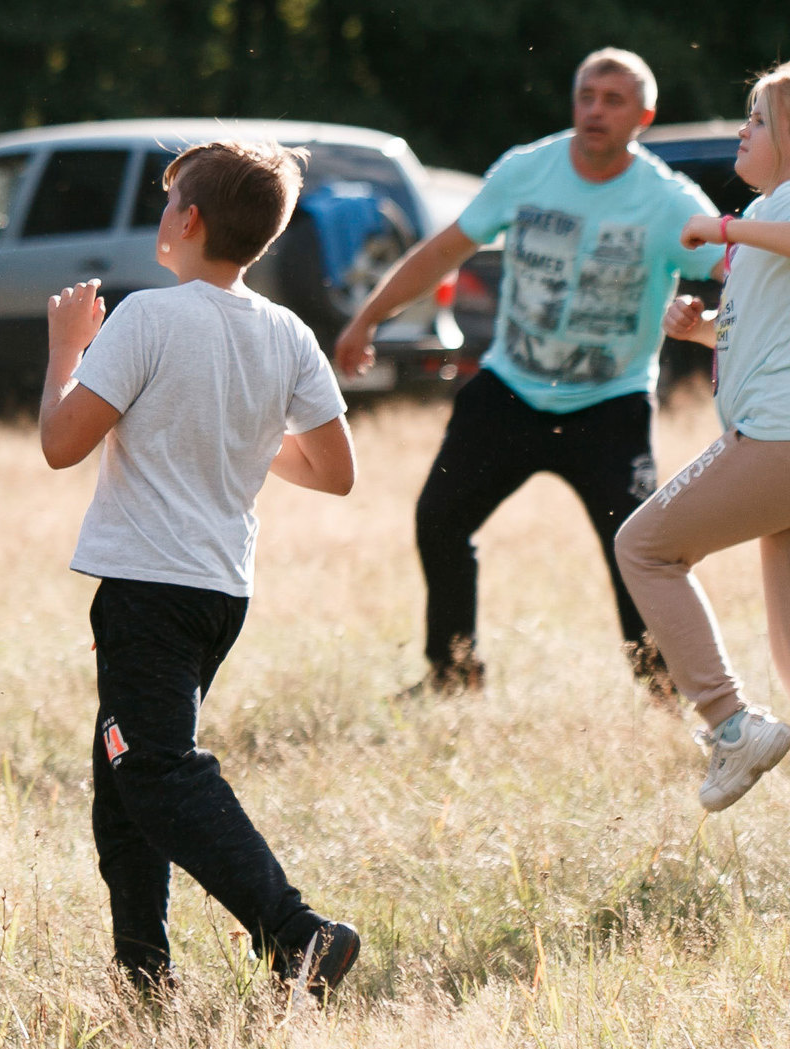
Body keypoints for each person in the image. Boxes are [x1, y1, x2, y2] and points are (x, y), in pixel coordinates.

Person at [41, 138, 362, 999]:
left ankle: (297, 935)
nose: (161, 212)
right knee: (125, 775)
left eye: (167, 197)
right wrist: (248, 441)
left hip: (147, 589)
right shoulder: (287, 332)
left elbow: (60, 443)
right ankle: (143, 973)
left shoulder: (147, 316)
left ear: (186, 219)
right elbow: (335, 471)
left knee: (154, 766)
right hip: (220, 593)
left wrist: (66, 350)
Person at [334, 49, 721, 694]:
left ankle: (664, 690)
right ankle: (453, 674)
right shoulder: (526, 170)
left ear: (644, 116)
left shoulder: (668, 201)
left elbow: (742, 269)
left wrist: (702, 312)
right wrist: (368, 317)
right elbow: (445, 251)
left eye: (613, 100)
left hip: (611, 404)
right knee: (440, 518)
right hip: (510, 390)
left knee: (639, 551)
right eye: (586, 96)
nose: (595, 110)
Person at [617, 64, 790, 811]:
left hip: (777, 439)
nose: (744, 130)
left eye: (757, 118)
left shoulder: (770, 215)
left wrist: (720, 227)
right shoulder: (768, 216)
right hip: (773, 438)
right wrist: (703, 329)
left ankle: (727, 723)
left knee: (644, 547)